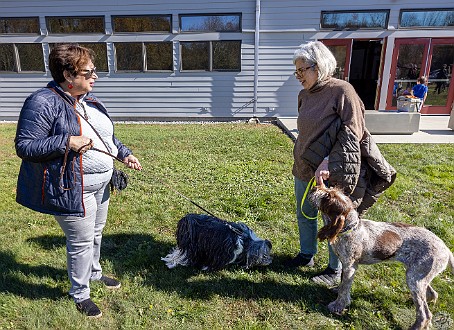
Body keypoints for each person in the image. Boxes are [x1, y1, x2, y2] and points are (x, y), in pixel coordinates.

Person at [15, 44, 142, 318]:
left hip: (101, 184)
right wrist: (67, 142)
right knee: (81, 242)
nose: (95, 76)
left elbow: (105, 136)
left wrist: (124, 153)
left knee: (96, 233)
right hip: (73, 187)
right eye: (89, 71)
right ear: (68, 75)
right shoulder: (42, 102)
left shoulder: (88, 100)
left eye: (94, 70)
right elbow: (25, 146)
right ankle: (80, 294)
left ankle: (94, 274)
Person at [286, 41, 396, 288]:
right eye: (297, 71)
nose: (299, 76)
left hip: (331, 172)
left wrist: (327, 162)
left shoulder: (342, 91)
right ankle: (307, 255)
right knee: (305, 214)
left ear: (320, 65)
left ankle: (334, 268)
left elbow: (354, 131)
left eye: (303, 70)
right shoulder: (304, 95)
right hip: (304, 168)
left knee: (333, 221)